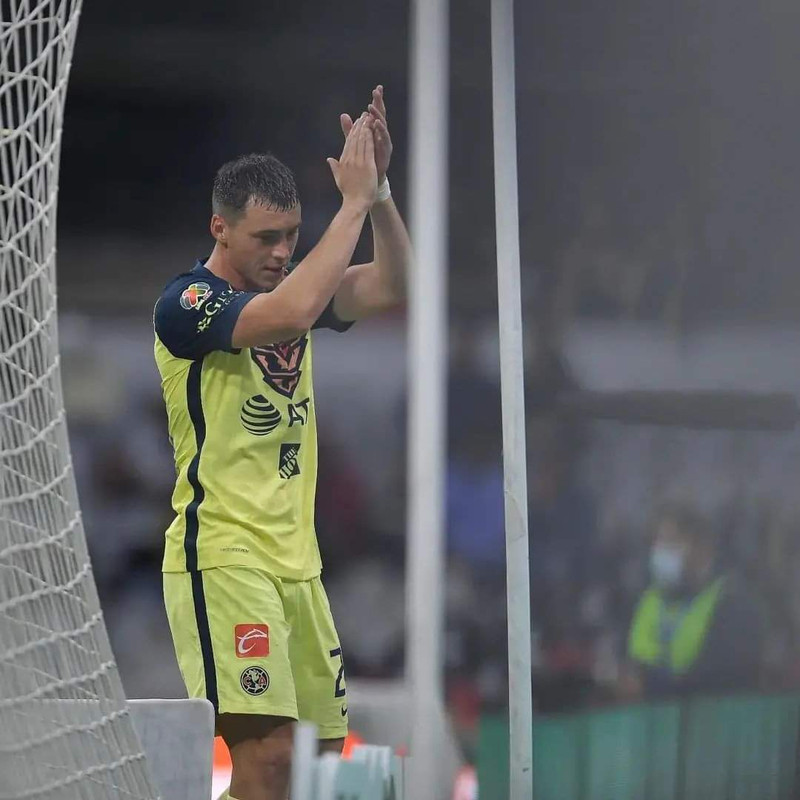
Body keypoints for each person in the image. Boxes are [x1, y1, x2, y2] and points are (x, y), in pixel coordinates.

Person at [153, 86, 410, 800]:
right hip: (225, 556)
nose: (282, 251)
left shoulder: (295, 283)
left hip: (298, 566)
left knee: (320, 768)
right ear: (220, 228)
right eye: (265, 238)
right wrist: (350, 203)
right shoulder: (187, 305)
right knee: (264, 765)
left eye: (291, 235)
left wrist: (381, 193)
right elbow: (292, 311)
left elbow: (397, 284)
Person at [623, 504, 765, 701]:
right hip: (650, 724)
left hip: (707, 726)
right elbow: (634, 663)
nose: (659, 552)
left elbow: (725, 680)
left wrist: (649, 685)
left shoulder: (733, 603)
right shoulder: (648, 600)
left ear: (702, 548)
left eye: (672, 543)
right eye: (657, 543)